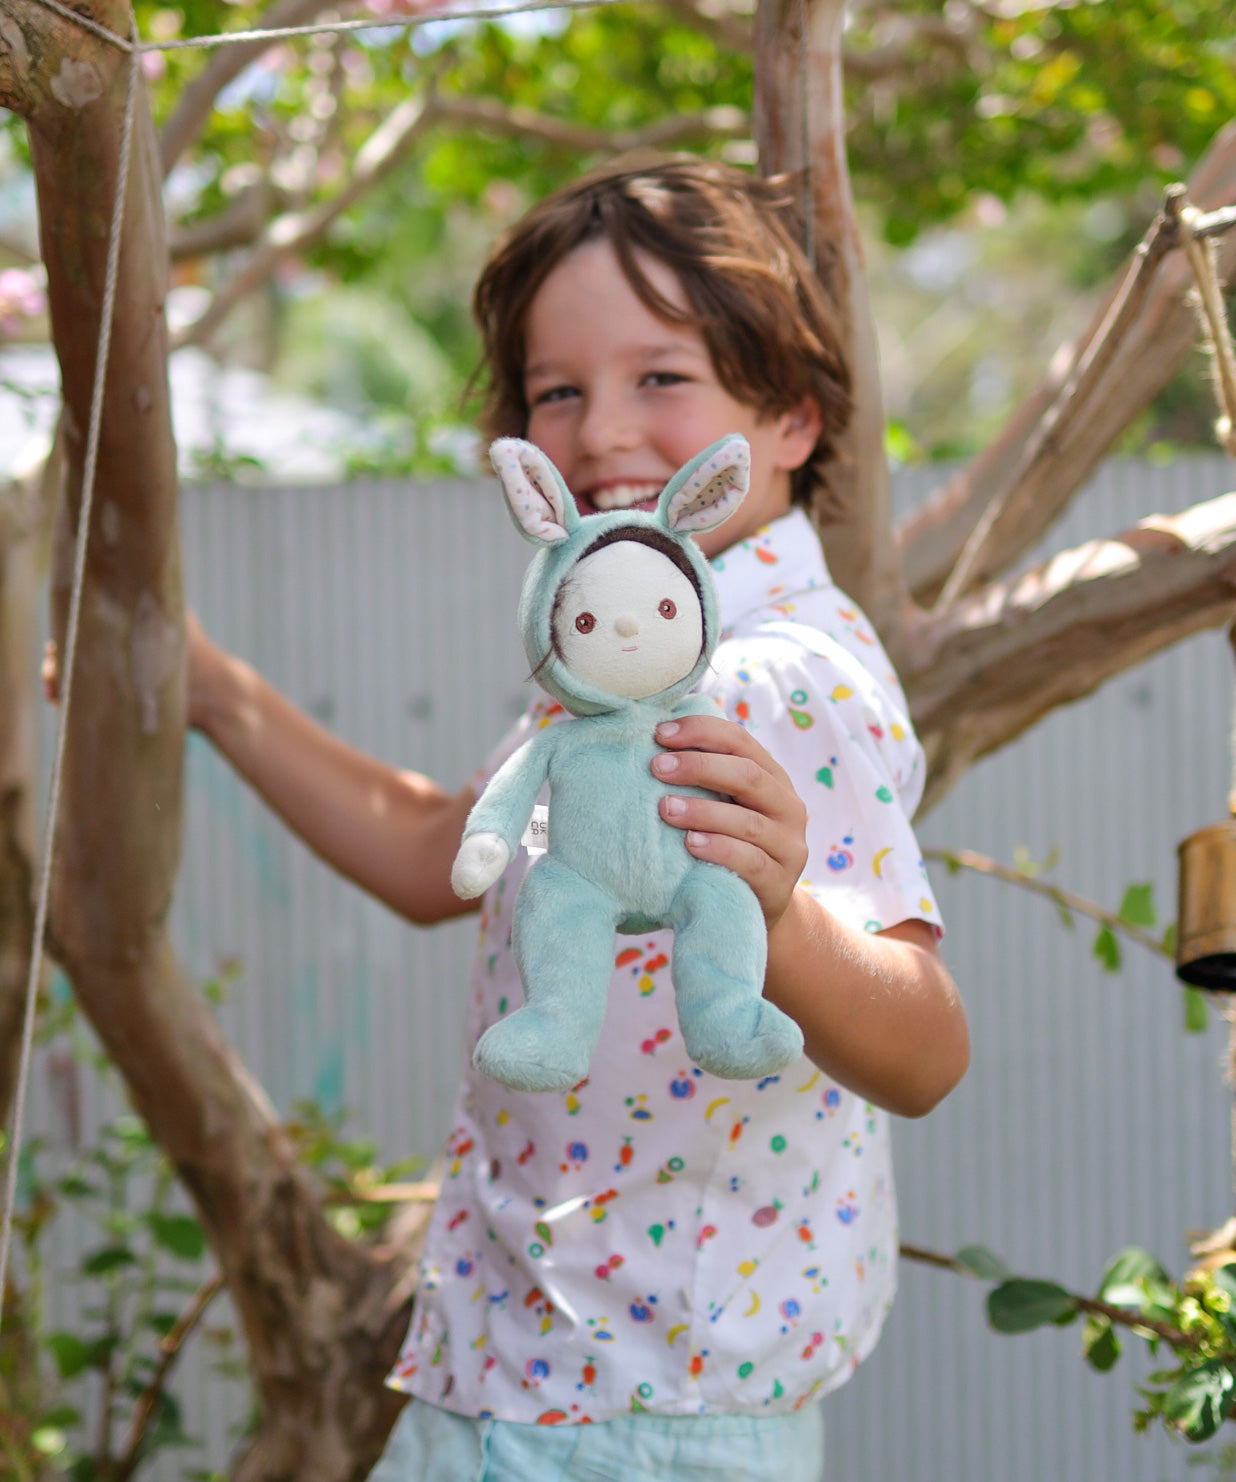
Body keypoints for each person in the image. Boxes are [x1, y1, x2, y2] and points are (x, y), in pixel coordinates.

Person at [53, 153, 968, 1480]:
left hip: (648, 1413)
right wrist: (213, 691)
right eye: (558, 390)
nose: (599, 434)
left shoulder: (773, 677)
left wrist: (775, 910)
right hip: (521, 1371)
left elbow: (929, 1048)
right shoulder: (619, 658)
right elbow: (445, 856)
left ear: (793, 420)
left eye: (662, 378)